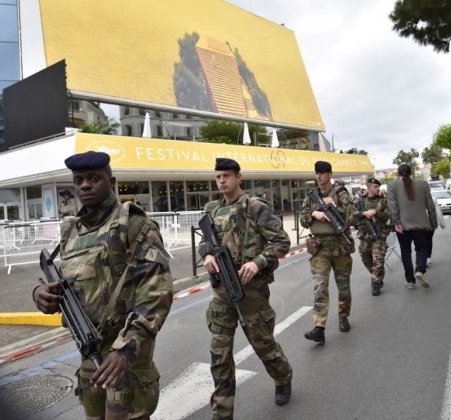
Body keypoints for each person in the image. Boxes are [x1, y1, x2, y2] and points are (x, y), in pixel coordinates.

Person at [32, 151, 173, 420]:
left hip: (126, 358)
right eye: (79, 180)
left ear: (112, 181)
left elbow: (157, 290)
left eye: (94, 178)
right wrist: (40, 293)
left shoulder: (134, 224)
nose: (84, 185)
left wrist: (126, 349)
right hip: (89, 352)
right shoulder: (72, 231)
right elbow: (67, 284)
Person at [200, 158, 293, 418]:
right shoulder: (211, 210)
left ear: (238, 177)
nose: (221, 181)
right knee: (219, 354)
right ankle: (222, 412)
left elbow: (281, 241)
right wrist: (206, 255)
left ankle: (283, 376)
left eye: (227, 176)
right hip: (222, 293)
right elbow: (205, 243)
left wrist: (257, 262)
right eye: (218, 176)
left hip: (251, 292)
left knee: (263, 345)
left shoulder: (255, 207)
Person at [299, 160, 358, 343]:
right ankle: (319, 327)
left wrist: (335, 206)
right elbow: (302, 219)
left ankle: (343, 316)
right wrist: (313, 214)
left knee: (343, 286)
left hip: (340, 245)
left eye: (323, 172)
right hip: (320, 248)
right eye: (317, 172)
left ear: (330, 174)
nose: (319, 176)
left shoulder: (340, 193)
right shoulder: (311, 196)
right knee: (320, 287)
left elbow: (353, 217)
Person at [386, 163, 438, 289]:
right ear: (411, 173)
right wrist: (433, 222)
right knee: (422, 249)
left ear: (398, 173)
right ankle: (420, 270)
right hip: (421, 225)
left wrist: (397, 222)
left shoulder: (392, 185)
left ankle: (410, 281)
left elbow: (392, 206)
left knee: (405, 252)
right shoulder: (423, 184)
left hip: (402, 226)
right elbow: (430, 206)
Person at [356, 177, 392, 296]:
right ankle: (378, 275)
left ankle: (375, 284)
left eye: (378, 187)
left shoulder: (383, 200)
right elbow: (352, 215)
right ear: (368, 187)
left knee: (378, 261)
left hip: (379, 236)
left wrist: (376, 212)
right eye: (375, 187)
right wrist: (364, 214)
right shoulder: (360, 201)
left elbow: (388, 214)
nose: (377, 189)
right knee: (366, 259)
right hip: (365, 236)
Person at [426, 197, 446, 267]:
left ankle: (423, 257)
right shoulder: (432, 198)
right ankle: (428, 257)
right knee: (428, 240)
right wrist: (442, 223)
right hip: (430, 223)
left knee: (420, 241)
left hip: (419, 224)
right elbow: (438, 212)